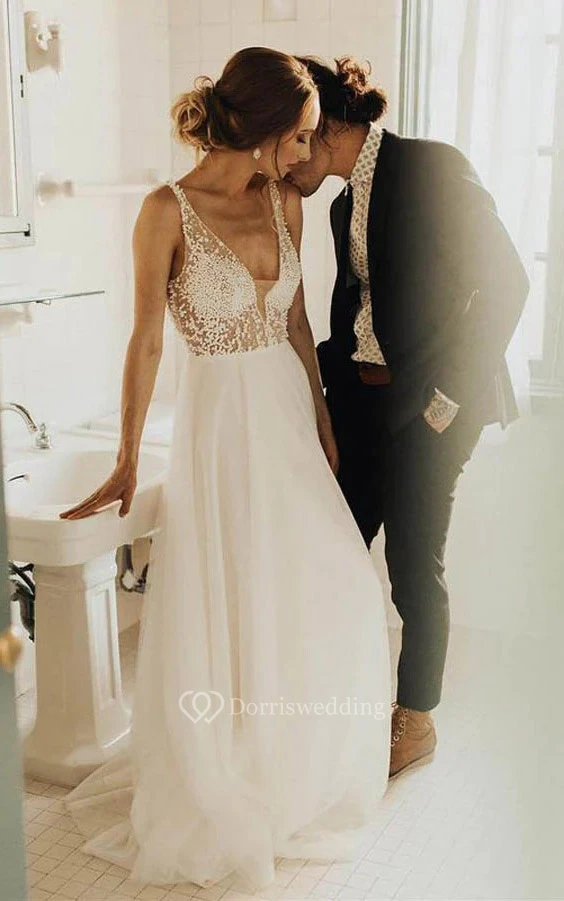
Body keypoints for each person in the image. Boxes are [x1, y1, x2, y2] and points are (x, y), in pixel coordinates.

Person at [58, 48, 392, 892]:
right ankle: (224, 770)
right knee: (229, 595)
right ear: (267, 129)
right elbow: (145, 339)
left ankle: (285, 769)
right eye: (301, 136)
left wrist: (321, 422)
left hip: (284, 425)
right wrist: (128, 455)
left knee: (322, 589)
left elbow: (297, 321)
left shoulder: (287, 203)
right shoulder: (163, 212)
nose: (307, 153)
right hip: (218, 433)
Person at [288, 55, 530, 780]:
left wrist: (444, 402)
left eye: (293, 139)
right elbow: (362, 313)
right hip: (366, 406)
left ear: (324, 126)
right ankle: (333, 697)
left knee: (412, 566)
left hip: (434, 409)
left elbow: (508, 282)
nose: (287, 159)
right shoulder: (340, 207)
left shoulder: (430, 167)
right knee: (334, 550)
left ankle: (415, 718)